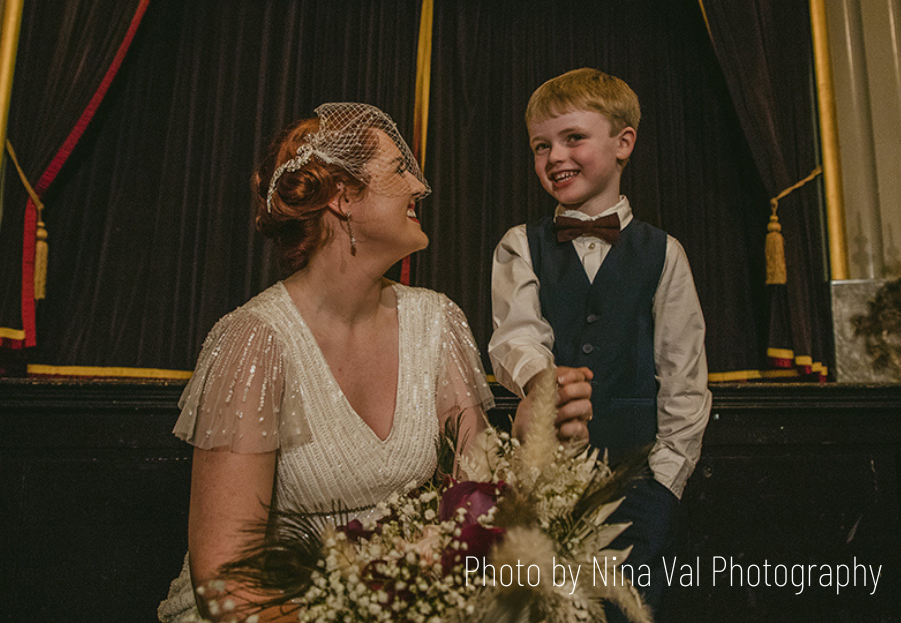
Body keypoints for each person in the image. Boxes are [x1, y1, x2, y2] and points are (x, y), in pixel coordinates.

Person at [158, 103, 593, 623]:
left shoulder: (436, 322)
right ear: (344, 198)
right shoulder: (256, 342)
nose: (419, 187)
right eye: (398, 170)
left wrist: (527, 435)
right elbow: (227, 578)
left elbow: (473, 509)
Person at [489, 68, 712, 619]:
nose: (554, 156)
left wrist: (663, 485)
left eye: (573, 138)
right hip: (542, 486)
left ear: (623, 143)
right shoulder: (521, 244)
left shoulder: (665, 253)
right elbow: (516, 335)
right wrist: (543, 381)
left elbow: (684, 382)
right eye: (541, 146)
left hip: (640, 493)